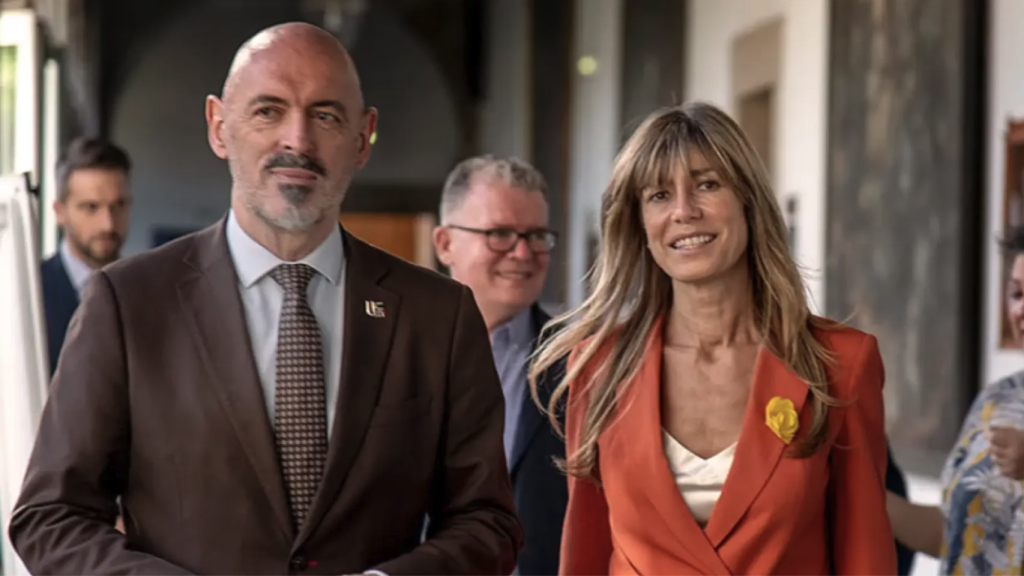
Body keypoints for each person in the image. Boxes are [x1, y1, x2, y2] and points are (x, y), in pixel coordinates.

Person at [9, 22, 521, 575]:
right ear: (219, 127)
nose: (296, 140)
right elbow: (51, 516)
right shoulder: (128, 303)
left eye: (325, 115)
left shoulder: (436, 315)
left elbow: (487, 521)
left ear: (362, 137)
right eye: (268, 111)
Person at [529, 102, 896, 575]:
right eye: (659, 195)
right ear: (639, 223)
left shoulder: (839, 361)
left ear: (747, 200)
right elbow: (584, 552)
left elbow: (865, 552)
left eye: (707, 184)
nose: (685, 211)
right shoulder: (597, 365)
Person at [433, 155, 567, 575]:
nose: (523, 252)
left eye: (536, 235)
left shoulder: (584, 364)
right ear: (445, 244)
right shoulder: (391, 350)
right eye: (501, 234)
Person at [886, 225, 1024, 575]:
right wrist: (855, 490)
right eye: (1017, 293)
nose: (1021, 310)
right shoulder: (995, 399)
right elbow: (952, 533)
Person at [41, 136, 132, 376]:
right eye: (91, 207)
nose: (108, 224)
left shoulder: (149, 290)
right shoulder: (28, 293)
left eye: (118, 205)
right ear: (60, 213)